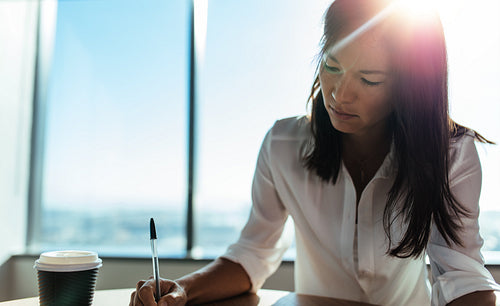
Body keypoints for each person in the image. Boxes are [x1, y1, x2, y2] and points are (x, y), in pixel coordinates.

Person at [130, 0, 500, 305]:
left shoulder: (450, 154)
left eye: (368, 79)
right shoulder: (282, 144)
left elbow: (462, 274)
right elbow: (254, 252)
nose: (339, 94)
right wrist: (184, 289)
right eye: (331, 66)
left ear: (410, 85)